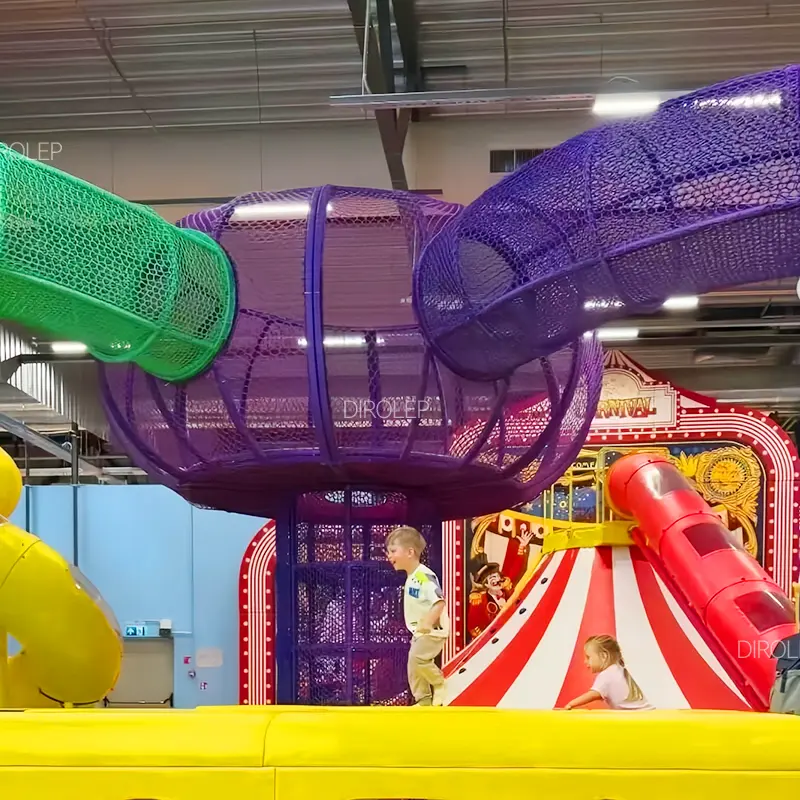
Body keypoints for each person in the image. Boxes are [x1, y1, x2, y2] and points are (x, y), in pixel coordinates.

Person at [386, 525, 449, 706]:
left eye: (393, 551)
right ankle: (423, 700)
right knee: (413, 666)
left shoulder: (423, 576)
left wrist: (428, 623)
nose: (389, 556)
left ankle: (439, 682)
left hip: (433, 630)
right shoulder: (412, 576)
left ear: (410, 552)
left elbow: (439, 601)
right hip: (420, 631)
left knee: (418, 659)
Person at [564, 634, 654, 711]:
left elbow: (593, 695)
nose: (585, 661)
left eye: (588, 657)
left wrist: (571, 704)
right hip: (647, 713)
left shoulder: (607, 675)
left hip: (640, 718)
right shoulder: (618, 669)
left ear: (603, 656)